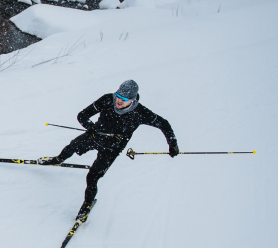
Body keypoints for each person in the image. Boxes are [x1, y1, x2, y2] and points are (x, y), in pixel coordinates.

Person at [39, 80, 178, 220]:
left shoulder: (140, 113)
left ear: (133, 99)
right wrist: (90, 126)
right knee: (71, 146)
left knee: (92, 177)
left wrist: (172, 144)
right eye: (118, 95)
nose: (119, 100)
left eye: (124, 99)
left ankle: (86, 206)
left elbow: (164, 124)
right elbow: (82, 115)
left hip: (112, 149)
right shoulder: (107, 100)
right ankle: (57, 160)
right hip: (95, 136)